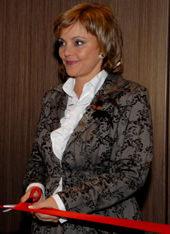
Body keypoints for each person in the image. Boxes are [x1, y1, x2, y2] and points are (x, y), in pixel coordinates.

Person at [22, 3, 153, 233]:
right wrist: (36, 188)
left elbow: (131, 174)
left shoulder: (130, 97)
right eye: (62, 42)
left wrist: (63, 202)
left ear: (103, 47)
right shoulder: (53, 97)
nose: (66, 51)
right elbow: (38, 159)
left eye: (78, 42)